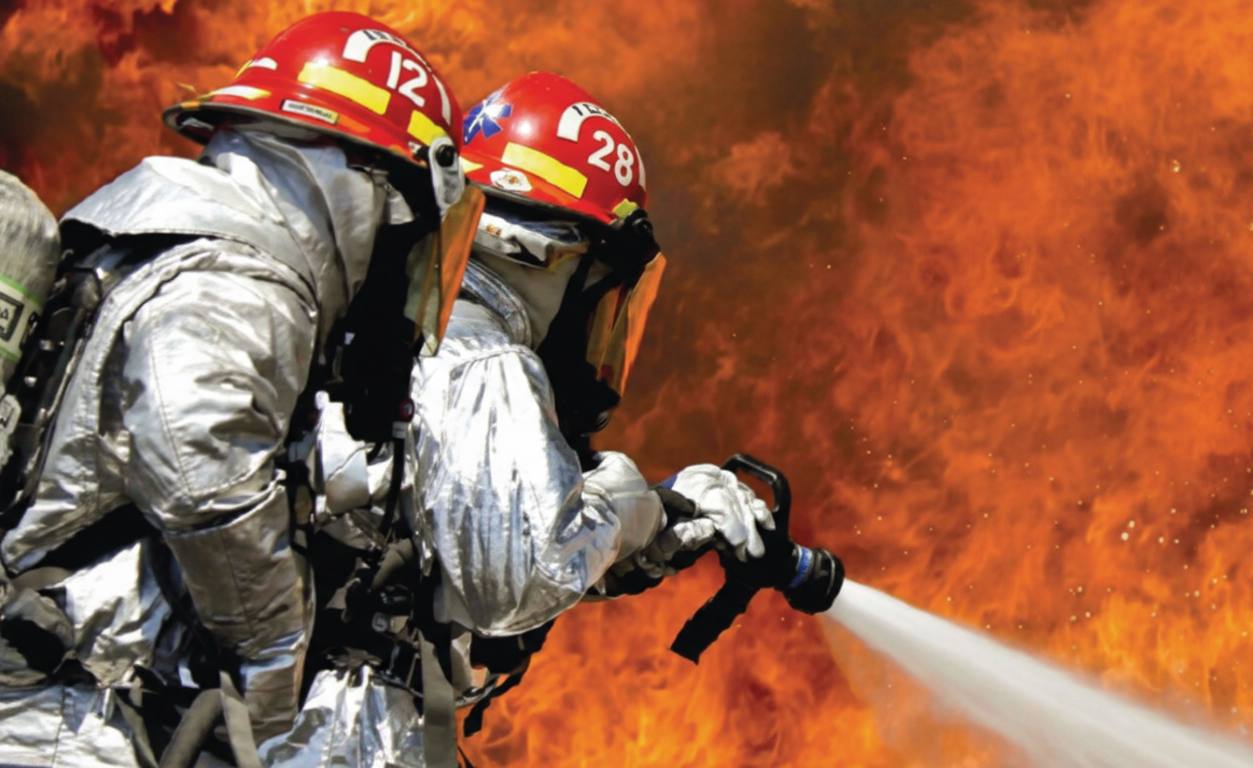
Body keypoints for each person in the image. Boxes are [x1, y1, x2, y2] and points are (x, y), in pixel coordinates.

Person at [263, 72, 780, 768]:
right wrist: (629, 498)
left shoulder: (396, 322)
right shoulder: (486, 357)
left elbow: (455, 537)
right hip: (347, 733)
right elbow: (514, 583)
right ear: (567, 255)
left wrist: (659, 526)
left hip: (280, 711)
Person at [0, 12, 474, 766]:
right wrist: (273, 663)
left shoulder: (157, 227)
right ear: (358, 189)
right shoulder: (244, 276)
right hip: (63, 715)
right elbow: (202, 463)